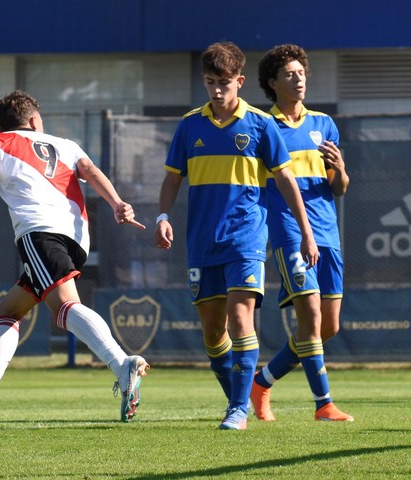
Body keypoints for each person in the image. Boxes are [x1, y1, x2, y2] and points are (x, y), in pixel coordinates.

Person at [0, 90, 149, 426]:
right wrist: (117, 203)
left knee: (63, 306)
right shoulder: (66, 145)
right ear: (34, 120)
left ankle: (121, 363)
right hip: (77, 238)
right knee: (9, 310)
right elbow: (91, 170)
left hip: (39, 232)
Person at [154, 41, 318, 430]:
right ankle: (238, 398)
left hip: (246, 238)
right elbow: (172, 177)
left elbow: (287, 182)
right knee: (213, 332)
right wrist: (162, 215)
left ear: (240, 81)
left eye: (224, 82)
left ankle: (238, 411)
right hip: (202, 242)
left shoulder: (261, 125)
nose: (216, 90)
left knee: (241, 317)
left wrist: (306, 233)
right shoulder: (190, 124)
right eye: (210, 82)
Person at [250, 44, 353, 422]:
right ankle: (323, 404)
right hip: (290, 232)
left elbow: (339, 187)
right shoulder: (263, 126)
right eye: (290, 74)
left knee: (329, 326)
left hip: (328, 232)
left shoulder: (324, 124)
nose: (299, 80)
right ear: (272, 83)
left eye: (302, 73)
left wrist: (340, 169)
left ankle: (261, 382)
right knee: (309, 320)